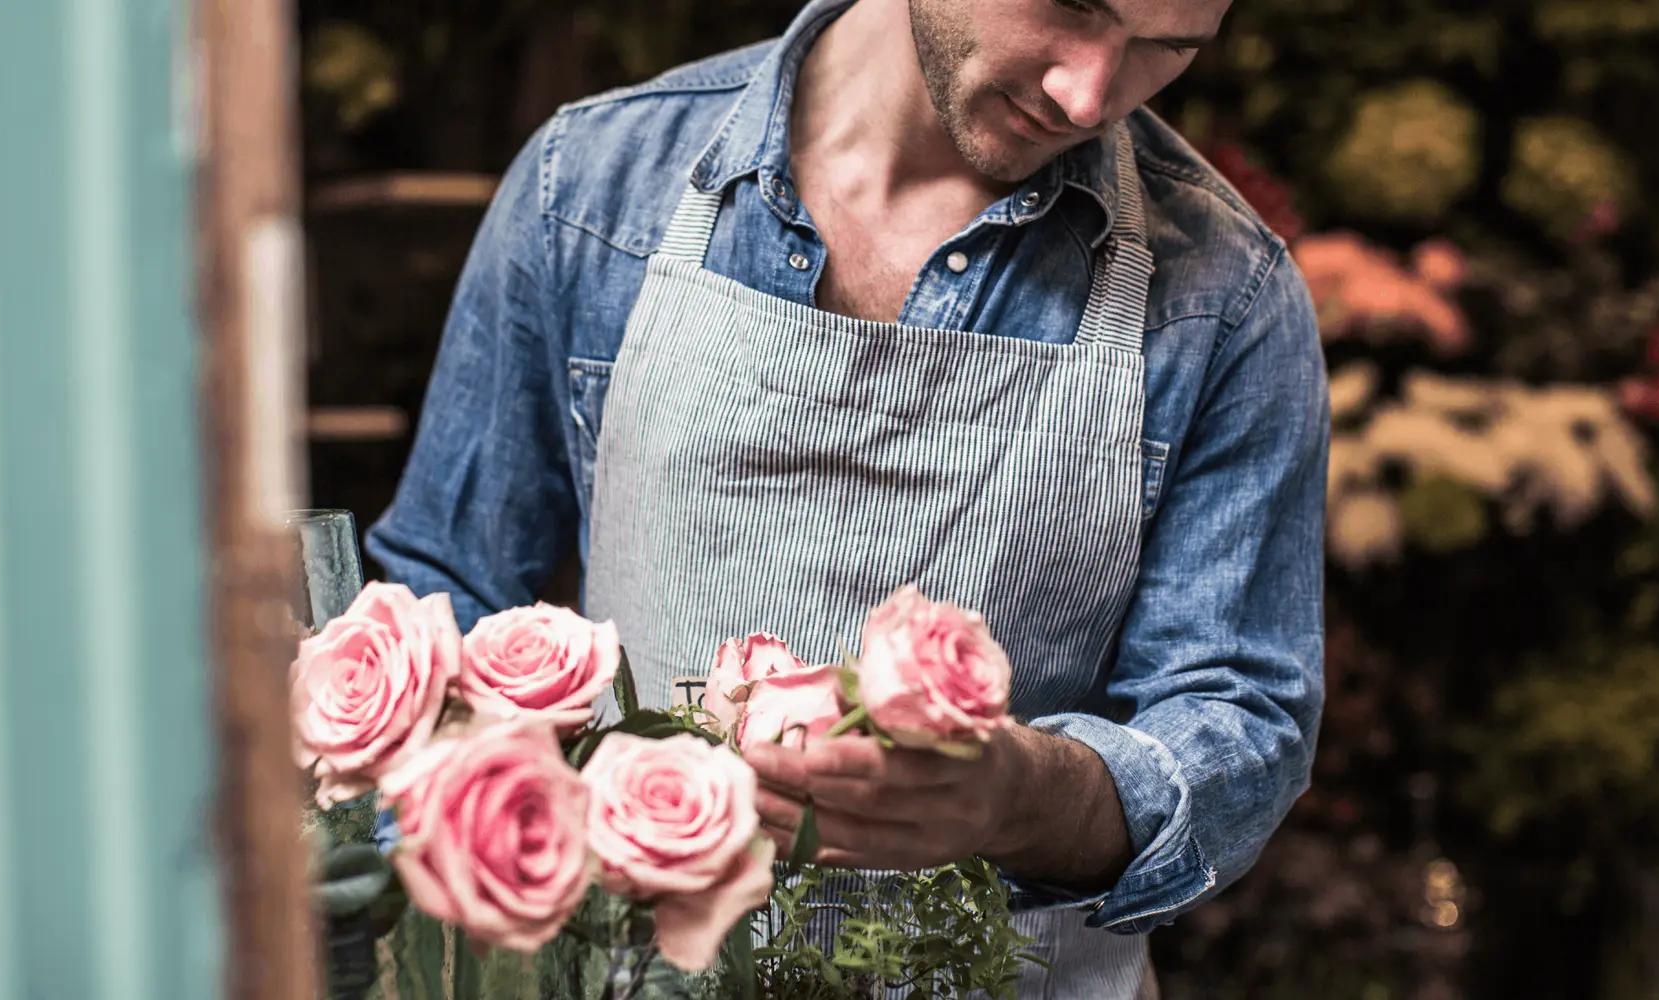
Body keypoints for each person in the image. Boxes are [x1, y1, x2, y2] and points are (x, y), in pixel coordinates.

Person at [367, 0, 1327, 993]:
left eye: (1164, 47)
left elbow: (1238, 718)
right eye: (1069, 5)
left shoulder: (1224, 296)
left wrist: (1021, 798)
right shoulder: (590, 189)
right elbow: (446, 600)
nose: (1086, 95)